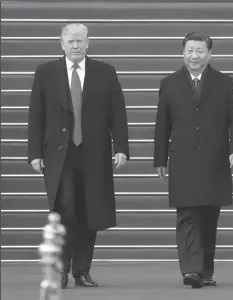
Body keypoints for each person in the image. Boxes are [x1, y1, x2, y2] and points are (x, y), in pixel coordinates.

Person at [28, 23, 129, 289]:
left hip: (93, 153)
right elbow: (35, 115)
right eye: (70, 41)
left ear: (88, 43)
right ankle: (61, 269)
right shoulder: (45, 72)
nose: (75, 46)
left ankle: (82, 270)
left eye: (79, 41)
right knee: (64, 211)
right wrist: (35, 153)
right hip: (59, 155)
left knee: (89, 212)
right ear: (61, 44)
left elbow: (117, 113)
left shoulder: (104, 72)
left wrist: (121, 147)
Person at [153, 32, 233, 288]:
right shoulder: (169, 83)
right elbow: (162, 124)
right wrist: (160, 159)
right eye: (190, 51)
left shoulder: (225, 83)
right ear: (183, 52)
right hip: (182, 160)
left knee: (208, 216)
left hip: (214, 160)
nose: (194, 56)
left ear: (209, 54)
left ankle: (205, 270)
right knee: (187, 215)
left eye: (200, 51)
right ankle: (191, 270)